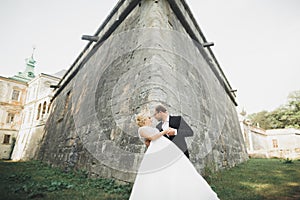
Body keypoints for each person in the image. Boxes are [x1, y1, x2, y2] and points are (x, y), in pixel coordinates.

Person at [129, 114, 219, 200]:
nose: (151, 119)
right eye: (149, 118)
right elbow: (153, 138)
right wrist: (165, 131)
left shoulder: (151, 128)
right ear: (144, 120)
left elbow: (150, 141)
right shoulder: (141, 129)